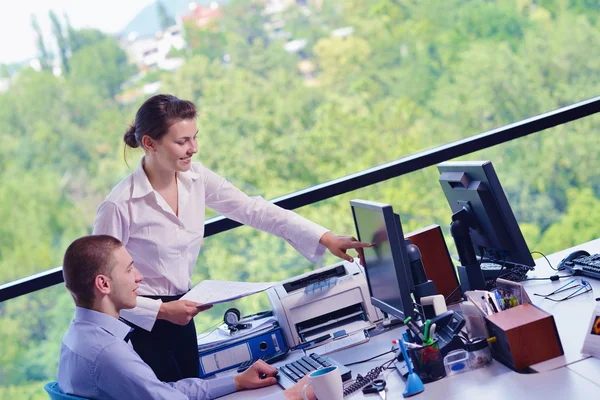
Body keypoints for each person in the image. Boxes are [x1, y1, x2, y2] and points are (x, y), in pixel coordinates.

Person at [93, 93, 371, 381]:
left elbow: (253, 209)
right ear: (149, 143)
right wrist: (161, 311)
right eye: (182, 142)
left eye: (195, 137)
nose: (194, 149)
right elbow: (100, 290)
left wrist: (324, 237)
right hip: (140, 324)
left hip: (182, 315)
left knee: (194, 391)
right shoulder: (119, 205)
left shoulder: (196, 178)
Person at [58, 234, 316, 400]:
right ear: (103, 284)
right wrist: (290, 397)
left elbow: (162, 393)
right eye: (129, 270)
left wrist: (237, 382)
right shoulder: (108, 353)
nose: (139, 277)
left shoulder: (80, 335)